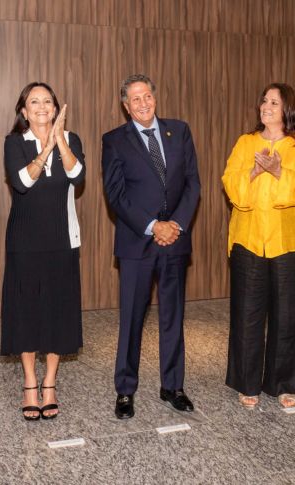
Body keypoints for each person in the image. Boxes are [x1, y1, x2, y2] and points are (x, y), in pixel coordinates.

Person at [101, 74, 201, 419]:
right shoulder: (114, 140)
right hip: (136, 242)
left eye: (147, 97)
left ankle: (173, 386)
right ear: (125, 106)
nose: (143, 104)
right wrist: (151, 225)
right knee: (131, 318)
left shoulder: (180, 131)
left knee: (173, 316)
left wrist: (175, 225)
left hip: (175, 240)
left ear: (154, 98)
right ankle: (125, 390)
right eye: (135, 99)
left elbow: (192, 183)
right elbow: (116, 194)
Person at [221, 83, 295, 409]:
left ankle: (283, 382)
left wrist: (279, 172)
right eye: (264, 100)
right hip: (248, 240)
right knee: (247, 314)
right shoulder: (245, 142)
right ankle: (247, 381)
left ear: (287, 108)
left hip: (287, 242)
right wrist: (252, 171)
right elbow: (231, 185)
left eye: (274, 102)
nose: (266, 106)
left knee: (287, 317)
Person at [0, 82, 85, 420]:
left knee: (56, 310)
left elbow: (78, 176)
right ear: (23, 111)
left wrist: (60, 140)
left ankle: (50, 382)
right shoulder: (14, 143)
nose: (40, 107)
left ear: (54, 108)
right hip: (24, 240)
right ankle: (30, 383)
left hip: (63, 238)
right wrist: (43, 149)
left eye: (46, 101)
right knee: (26, 311)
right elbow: (22, 182)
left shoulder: (72, 139)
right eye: (33, 101)